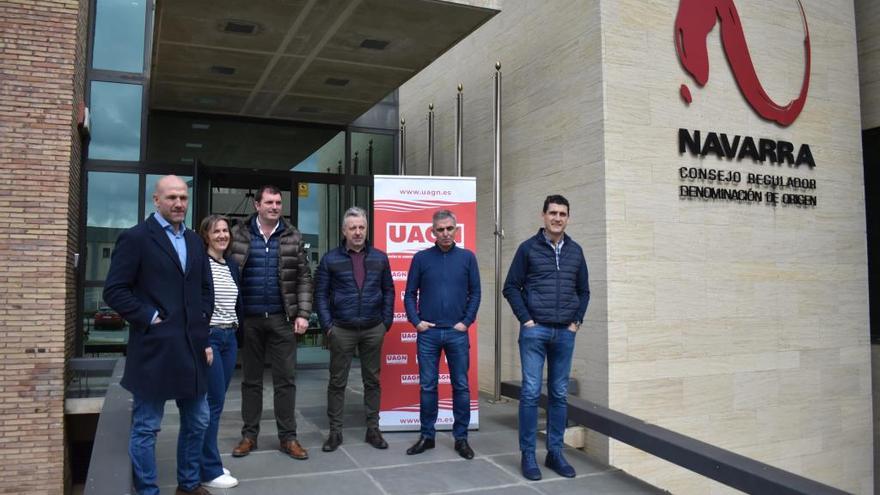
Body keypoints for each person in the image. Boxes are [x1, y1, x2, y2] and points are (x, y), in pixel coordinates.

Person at [103, 175, 214, 495]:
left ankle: (189, 485)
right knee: (147, 427)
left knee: (198, 422)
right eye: (171, 198)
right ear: (156, 200)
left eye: (183, 197)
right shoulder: (136, 238)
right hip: (153, 350)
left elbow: (204, 289)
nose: (179, 203)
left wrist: (201, 321)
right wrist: (150, 317)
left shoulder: (194, 240)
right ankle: (148, 491)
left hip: (192, 350)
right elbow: (115, 290)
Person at [502, 194, 590, 481]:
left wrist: (576, 322)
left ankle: (555, 453)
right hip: (535, 330)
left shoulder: (575, 251)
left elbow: (584, 290)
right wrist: (526, 320)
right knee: (529, 393)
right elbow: (511, 287)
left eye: (562, 213)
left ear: (568, 218)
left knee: (559, 394)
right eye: (552, 213)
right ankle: (529, 456)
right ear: (543, 216)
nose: (557, 218)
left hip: (565, 332)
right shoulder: (528, 249)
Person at [228, 185, 313, 461]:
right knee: (250, 381)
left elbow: (303, 277)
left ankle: (288, 438)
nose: (275, 206)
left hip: (281, 319)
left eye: (278, 202)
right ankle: (249, 436)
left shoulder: (292, 236)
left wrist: (302, 313)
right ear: (257, 205)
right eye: (269, 202)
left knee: (285, 381)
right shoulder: (239, 234)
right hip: (249, 320)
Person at [315, 207, 395, 452]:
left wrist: (386, 322)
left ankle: (373, 429)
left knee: (372, 381)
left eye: (361, 227)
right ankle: (335, 433)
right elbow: (320, 294)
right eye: (353, 228)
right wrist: (328, 326)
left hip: (373, 328)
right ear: (344, 231)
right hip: (342, 329)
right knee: (337, 382)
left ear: (366, 228)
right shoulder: (330, 259)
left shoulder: (380, 258)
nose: (358, 232)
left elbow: (389, 290)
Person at [403, 209, 481, 460]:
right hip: (429, 334)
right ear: (433, 231)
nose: (445, 233)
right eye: (440, 229)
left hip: (457, 333)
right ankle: (427, 436)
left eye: (450, 229)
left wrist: (466, 321)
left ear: (456, 230)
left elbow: (476, 293)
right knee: (428, 386)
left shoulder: (467, 258)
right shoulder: (421, 258)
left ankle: (461, 438)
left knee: (461, 386)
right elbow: (409, 294)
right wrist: (417, 322)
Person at [198, 215, 242, 489]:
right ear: (206, 235)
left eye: (226, 231)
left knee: (217, 402)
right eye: (217, 231)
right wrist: (202, 339)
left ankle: (208, 459)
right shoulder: (201, 264)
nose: (223, 235)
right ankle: (209, 470)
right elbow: (195, 303)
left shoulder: (231, 265)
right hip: (211, 337)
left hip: (229, 337)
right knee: (211, 405)